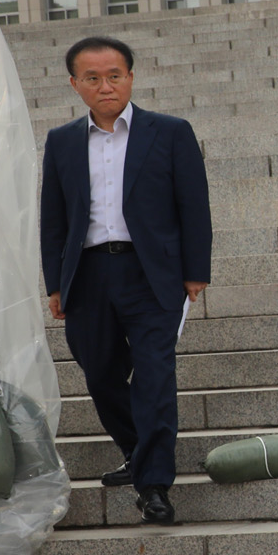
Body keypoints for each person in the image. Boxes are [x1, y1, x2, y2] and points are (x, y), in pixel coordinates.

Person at [40, 37, 213, 526]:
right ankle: (140, 451)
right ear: (75, 84)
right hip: (89, 273)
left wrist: (195, 272)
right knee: (100, 374)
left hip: (151, 273)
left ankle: (153, 485)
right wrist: (56, 281)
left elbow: (192, 206)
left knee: (155, 377)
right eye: (92, 78)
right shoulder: (62, 141)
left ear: (131, 77)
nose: (105, 85)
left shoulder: (170, 132)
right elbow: (53, 219)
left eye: (114, 75)